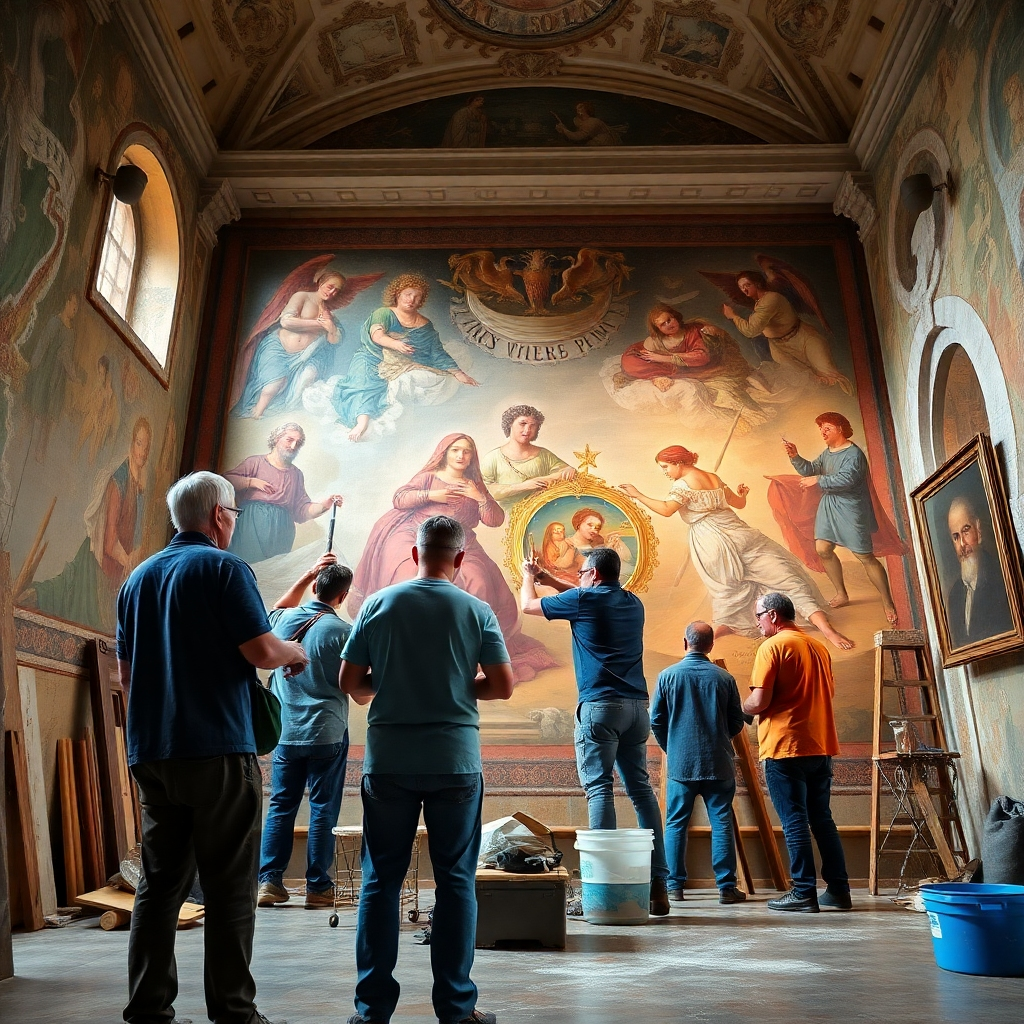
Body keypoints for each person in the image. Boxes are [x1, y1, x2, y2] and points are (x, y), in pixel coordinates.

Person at [116, 471, 310, 1024]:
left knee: (159, 885)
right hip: (218, 750)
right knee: (229, 887)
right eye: (235, 515)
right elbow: (258, 650)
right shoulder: (225, 568)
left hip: (153, 751)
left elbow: (128, 676)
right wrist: (292, 651)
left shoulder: (137, 580)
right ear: (220, 516)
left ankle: (148, 1008)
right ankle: (233, 1012)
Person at [339, 515, 514, 1024]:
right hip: (454, 763)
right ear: (459, 559)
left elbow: (351, 680)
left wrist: (389, 689)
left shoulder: (378, 604)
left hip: (389, 760)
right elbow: (502, 685)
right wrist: (459, 690)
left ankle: (371, 1012)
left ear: (415, 555)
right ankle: (457, 1010)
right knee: (456, 881)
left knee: (380, 882)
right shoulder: (476, 609)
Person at [520, 546, 671, 916]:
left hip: (601, 708)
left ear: (593, 575)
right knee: (641, 792)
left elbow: (528, 606)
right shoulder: (633, 602)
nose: (580, 578)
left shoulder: (584, 599)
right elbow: (579, 589)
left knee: (600, 788)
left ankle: (603, 889)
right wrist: (551, 578)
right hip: (637, 709)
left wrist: (529, 577)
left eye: (583, 573)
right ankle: (658, 888)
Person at [347, 433, 556, 681]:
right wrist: (432, 496)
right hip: (416, 535)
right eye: (455, 450)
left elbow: (495, 520)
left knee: (479, 579)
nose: (461, 455)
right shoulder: (428, 477)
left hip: (460, 542)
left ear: (471, 457)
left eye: (466, 451)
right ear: (445, 453)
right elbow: (400, 498)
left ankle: (470, 652)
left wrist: (478, 496)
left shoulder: (474, 484)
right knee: (406, 574)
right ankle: (407, 647)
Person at [620, 445, 853, 650]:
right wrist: (743, 495)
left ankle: (719, 631)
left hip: (713, 540)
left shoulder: (682, 485)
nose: (665, 472)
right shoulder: (713, 477)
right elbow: (738, 504)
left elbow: (667, 510)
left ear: (680, 463)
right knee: (787, 579)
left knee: (728, 589)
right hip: (742, 534)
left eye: (665, 467)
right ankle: (827, 630)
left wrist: (637, 494)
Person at [742, 591, 851, 913]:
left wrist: (741, 707)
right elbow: (826, 691)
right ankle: (839, 890)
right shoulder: (818, 646)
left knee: (794, 822)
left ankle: (803, 891)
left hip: (784, 746)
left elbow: (759, 701)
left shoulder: (773, 646)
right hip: (819, 745)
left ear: (773, 615)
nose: (757, 622)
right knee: (822, 820)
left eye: (758, 615)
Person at [257, 554, 354, 911]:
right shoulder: (343, 632)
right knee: (323, 808)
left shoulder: (281, 621)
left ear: (315, 586)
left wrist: (307, 573)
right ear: (342, 597)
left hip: (286, 732)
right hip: (327, 731)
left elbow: (282, 604)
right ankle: (318, 888)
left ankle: (269, 882)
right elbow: (354, 683)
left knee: (281, 806)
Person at [650, 621, 746, 905]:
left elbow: (656, 721)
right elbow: (737, 722)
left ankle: (674, 887)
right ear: (711, 645)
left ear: (684, 643)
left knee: (676, 823)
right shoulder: (724, 678)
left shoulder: (667, 676)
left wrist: (673, 748)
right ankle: (727, 888)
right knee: (722, 822)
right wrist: (720, 736)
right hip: (719, 762)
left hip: (682, 764)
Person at [31, 416, 152, 632]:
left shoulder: (138, 488)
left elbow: (139, 538)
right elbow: (109, 541)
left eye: (146, 446)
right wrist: (127, 561)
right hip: (94, 569)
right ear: (132, 443)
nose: (142, 451)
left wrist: (134, 556)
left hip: (113, 576)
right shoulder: (118, 483)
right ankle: (30, 595)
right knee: (61, 596)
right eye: (139, 443)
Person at [332, 274, 479, 442]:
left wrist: (459, 373)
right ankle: (361, 422)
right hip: (373, 357)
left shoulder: (424, 324)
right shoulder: (384, 313)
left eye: (417, 297)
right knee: (364, 382)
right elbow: (377, 336)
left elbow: (436, 352)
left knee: (422, 382)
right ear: (397, 294)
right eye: (408, 294)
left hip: (404, 363)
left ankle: (404, 429)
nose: (412, 299)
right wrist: (396, 344)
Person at [784, 412, 899, 625]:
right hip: (829, 506)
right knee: (823, 549)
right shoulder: (828, 453)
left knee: (864, 556)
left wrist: (818, 480)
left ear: (840, 428)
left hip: (851, 507)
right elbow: (810, 469)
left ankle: (887, 601)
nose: (822, 433)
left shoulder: (854, 454)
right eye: (820, 429)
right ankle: (842, 593)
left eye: (827, 428)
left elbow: (848, 479)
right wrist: (795, 457)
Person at [224, 422, 343, 564]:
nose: (293, 446)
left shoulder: (296, 474)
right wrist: (251, 482)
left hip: (282, 531)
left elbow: (301, 510)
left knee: (271, 571)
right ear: (276, 439)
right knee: (249, 565)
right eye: (289, 440)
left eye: (298, 443)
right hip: (252, 524)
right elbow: (224, 481)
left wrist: (325, 504)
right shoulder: (255, 462)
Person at [722, 270, 852, 394]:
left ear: (757, 283)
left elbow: (750, 330)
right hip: (780, 348)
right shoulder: (760, 302)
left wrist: (733, 316)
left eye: (747, 285)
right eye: (741, 287)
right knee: (807, 381)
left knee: (830, 376)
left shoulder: (771, 299)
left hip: (803, 339)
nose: (744, 290)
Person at [945, 495, 1014, 647]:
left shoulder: (1002, 580)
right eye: (956, 537)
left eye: (966, 531)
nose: (962, 544)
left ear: (979, 530)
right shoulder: (955, 595)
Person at [479, 404, 575, 513]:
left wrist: (567, 470)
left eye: (532, 425)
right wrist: (522, 486)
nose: (527, 429)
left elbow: (564, 472)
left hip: (542, 513)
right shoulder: (493, 458)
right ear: (510, 424)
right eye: (522, 424)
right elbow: (484, 492)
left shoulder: (544, 455)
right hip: (509, 517)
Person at [567, 508, 632, 568]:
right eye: (590, 525)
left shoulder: (598, 545)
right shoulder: (567, 544)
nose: (594, 530)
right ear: (578, 524)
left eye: (597, 528)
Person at [554, 101, 626, 146]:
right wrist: (563, 130)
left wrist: (564, 130)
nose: (577, 109)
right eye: (578, 108)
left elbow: (578, 137)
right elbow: (576, 136)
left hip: (603, 142)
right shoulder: (577, 120)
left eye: (581, 107)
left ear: (585, 110)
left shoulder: (592, 122)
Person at [538, 521, 583, 585]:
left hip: (569, 568)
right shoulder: (550, 546)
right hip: (559, 571)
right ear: (550, 534)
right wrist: (571, 550)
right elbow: (559, 563)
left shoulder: (565, 542)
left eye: (562, 531)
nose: (560, 534)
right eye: (556, 532)